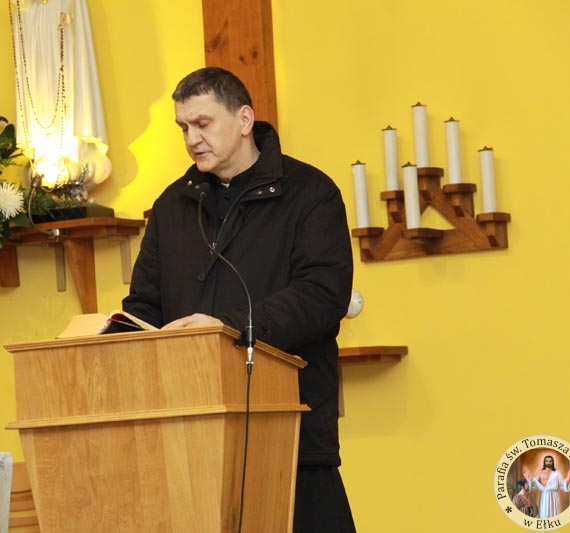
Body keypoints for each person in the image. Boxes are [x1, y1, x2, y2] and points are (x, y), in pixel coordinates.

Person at [122, 66, 355, 531]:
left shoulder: (310, 193)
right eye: (183, 128)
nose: (192, 139)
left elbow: (322, 295)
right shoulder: (172, 205)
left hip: (289, 432)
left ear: (244, 119)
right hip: (189, 436)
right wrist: (118, 334)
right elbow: (145, 304)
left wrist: (227, 328)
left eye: (202, 123)